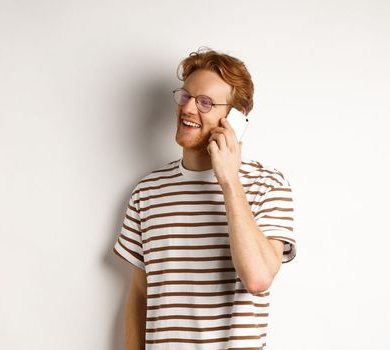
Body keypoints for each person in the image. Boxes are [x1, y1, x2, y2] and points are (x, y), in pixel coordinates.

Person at [112, 47, 297, 349]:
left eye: (205, 103)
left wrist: (228, 181)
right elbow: (140, 295)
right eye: (185, 96)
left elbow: (258, 279)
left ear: (235, 119)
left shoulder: (267, 186)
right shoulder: (146, 192)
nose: (187, 108)